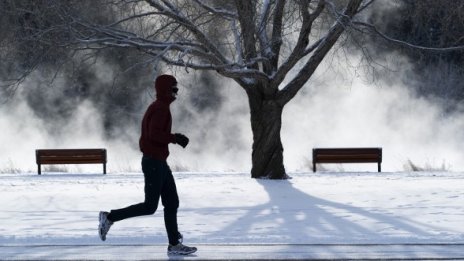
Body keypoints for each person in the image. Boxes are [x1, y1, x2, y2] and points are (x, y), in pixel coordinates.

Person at [98, 74, 197, 255]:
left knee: (172, 202)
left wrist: (173, 138)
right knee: (150, 207)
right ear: (165, 90)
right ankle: (109, 217)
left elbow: (154, 134)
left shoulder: (160, 106)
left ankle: (174, 244)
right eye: (173, 89)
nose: (176, 92)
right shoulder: (160, 108)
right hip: (153, 162)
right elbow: (154, 134)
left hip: (159, 162)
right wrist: (175, 138)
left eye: (176, 89)